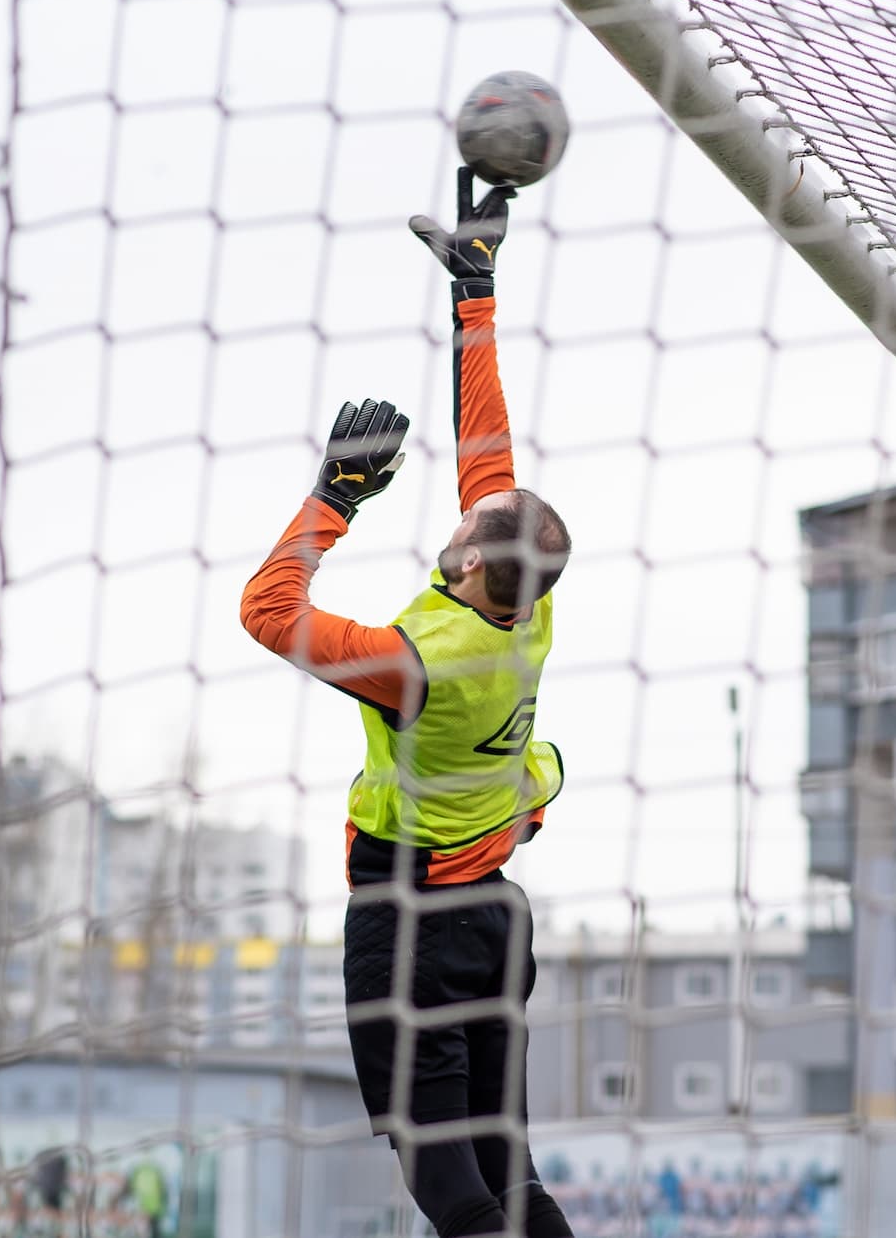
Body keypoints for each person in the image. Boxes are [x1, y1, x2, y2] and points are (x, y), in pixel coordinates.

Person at [240, 167, 574, 1238]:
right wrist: (472, 295)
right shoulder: (529, 614)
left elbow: (266, 607)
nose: (465, 511)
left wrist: (334, 496)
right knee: (511, 1177)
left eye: (476, 527)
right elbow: (492, 458)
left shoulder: (412, 660)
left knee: (453, 1192)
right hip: (493, 922)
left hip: (412, 931)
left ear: (477, 570)